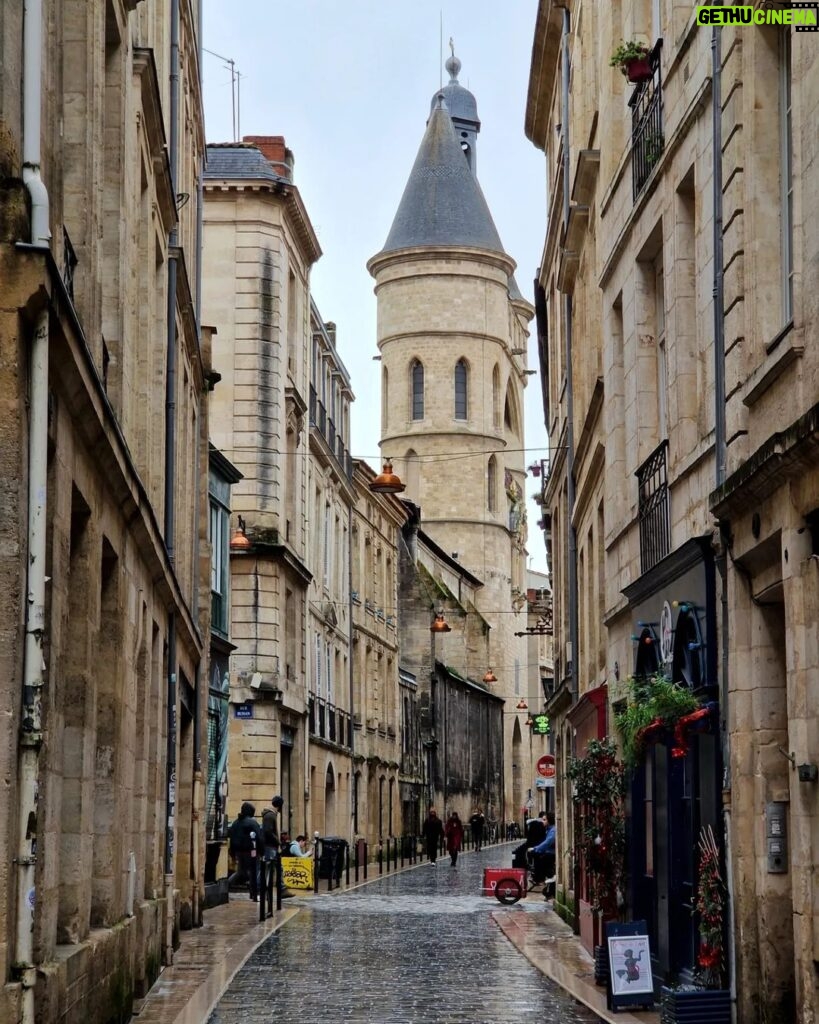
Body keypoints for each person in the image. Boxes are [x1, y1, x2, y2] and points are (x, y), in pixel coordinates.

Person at [227, 802, 262, 901]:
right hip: (251, 852)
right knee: (254, 871)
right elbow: (259, 838)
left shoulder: (235, 823)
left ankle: (226, 886)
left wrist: (233, 853)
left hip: (239, 852)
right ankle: (254, 893)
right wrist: (261, 851)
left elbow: (232, 838)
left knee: (241, 871)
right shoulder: (252, 822)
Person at [531, 811, 556, 898]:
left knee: (543, 866)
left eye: (544, 820)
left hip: (551, 854)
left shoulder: (553, 830)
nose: (542, 821)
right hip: (548, 853)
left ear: (549, 821)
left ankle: (541, 880)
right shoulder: (548, 830)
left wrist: (535, 849)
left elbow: (547, 842)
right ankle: (550, 889)